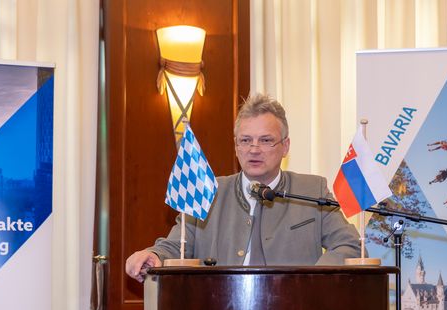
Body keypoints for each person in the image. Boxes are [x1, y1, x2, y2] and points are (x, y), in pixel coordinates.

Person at [125, 93, 362, 282]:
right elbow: (176, 245)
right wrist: (153, 255)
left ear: (285, 146)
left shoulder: (311, 190)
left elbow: (350, 244)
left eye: (266, 140)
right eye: (246, 140)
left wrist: (311, 278)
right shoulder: (209, 190)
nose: (254, 149)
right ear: (236, 146)